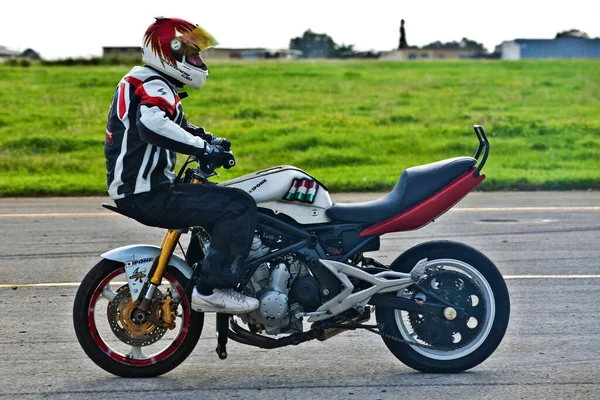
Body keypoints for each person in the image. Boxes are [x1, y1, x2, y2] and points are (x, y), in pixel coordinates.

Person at [104, 17, 259, 314]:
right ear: (169, 52)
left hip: (141, 188)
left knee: (222, 201)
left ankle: (208, 272)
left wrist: (207, 138)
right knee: (238, 207)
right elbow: (152, 123)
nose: (199, 61)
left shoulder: (144, 81)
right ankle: (212, 288)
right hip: (149, 192)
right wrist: (203, 148)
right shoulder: (154, 84)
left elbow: (175, 124)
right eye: (193, 54)